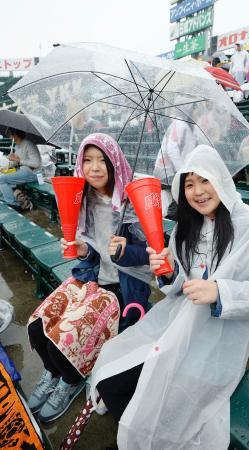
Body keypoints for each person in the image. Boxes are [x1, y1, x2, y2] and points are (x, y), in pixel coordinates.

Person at [90, 145, 249, 450]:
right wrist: (170, 274)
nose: (197, 191)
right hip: (173, 324)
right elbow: (178, 288)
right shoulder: (186, 228)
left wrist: (221, 292)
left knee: (170, 410)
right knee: (111, 375)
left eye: (205, 180)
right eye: (188, 183)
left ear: (221, 179)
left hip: (217, 341)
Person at [27, 133, 151, 423]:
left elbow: (150, 256)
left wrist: (124, 252)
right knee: (38, 326)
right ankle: (54, 373)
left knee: (66, 336)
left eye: (101, 160)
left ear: (114, 163)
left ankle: (71, 380)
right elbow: (90, 257)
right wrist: (83, 250)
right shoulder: (82, 199)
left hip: (124, 289)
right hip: (91, 280)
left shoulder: (132, 201)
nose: (94, 167)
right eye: (87, 160)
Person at [0, 128, 41, 211]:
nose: (9, 137)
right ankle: (8, 199)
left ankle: (14, 205)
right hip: (23, 171)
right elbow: (15, 161)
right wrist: (4, 167)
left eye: (10, 134)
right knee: (2, 176)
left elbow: (37, 163)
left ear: (15, 135)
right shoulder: (17, 145)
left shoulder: (29, 144)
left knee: (2, 180)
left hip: (33, 173)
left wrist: (17, 160)